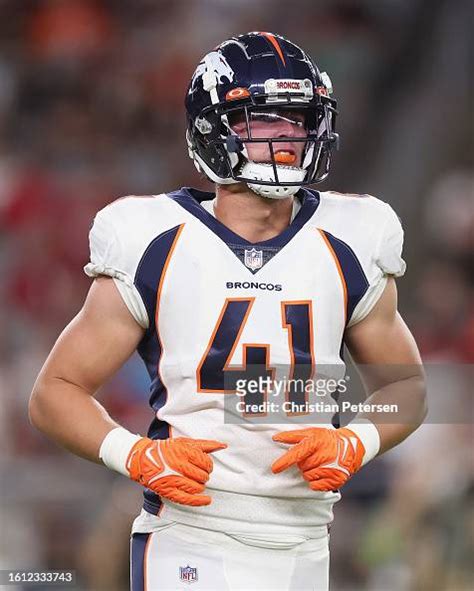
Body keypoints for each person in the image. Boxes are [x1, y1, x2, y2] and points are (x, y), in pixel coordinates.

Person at [29, 32, 427, 591]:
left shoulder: (353, 238)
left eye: (299, 120)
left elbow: (405, 385)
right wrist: (135, 455)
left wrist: (354, 440)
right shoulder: (154, 239)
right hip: (191, 534)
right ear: (214, 129)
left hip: (307, 541)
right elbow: (55, 392)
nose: (287, 138)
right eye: (264, 121)